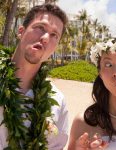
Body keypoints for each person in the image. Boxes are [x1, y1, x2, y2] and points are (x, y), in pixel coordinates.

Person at [0, 4, 68, 149]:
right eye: (40, 28)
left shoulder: (57, 100)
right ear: (21, 31)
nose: (45, 38)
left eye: (54, 35)